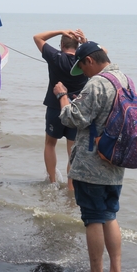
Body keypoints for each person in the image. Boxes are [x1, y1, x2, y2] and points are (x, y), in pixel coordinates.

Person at [54, 41, 127, 272]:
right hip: (115, 161)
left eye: (83, 68)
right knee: (110, 216)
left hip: (92, 163)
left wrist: (62, 96)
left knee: (94, 219)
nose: (83, 74)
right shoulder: (123, 79)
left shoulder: (96, 82)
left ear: (90, 61)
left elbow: (71, 117)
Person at [33, 29, 88, 187]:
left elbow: (37, 37)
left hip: (55, 106)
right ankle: (71, 186)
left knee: (50, 143)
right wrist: (85, 42)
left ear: (62, 44)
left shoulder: (55, 57)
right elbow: (102, 52)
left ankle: (52, 182)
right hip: (75, 108)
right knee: (72, 148)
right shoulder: (84, 61)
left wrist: (60, 31)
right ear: (77, 46)